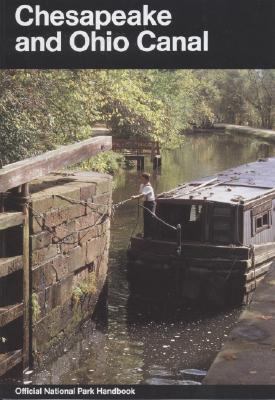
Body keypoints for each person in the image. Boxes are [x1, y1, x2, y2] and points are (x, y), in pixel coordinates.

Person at [131, 172, 156, 238]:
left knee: (150, 219)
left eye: (142, 179)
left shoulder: (149, 187)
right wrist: (138, 197)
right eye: (141, 178)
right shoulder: (142, 185)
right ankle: (146, 235)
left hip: (150, 204)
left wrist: (135, 197)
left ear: (147, 179)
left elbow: (142, 195)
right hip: (145, 203)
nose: (141, 180)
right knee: (145, 219)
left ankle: (151, 235)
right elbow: (141, 193)